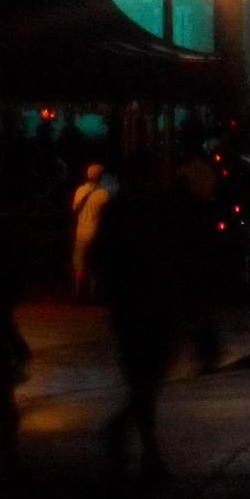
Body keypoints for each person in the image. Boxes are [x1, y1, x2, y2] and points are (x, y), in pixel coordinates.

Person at [92, 157, 190, 481]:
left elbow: (100, 257)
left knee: (144, 380)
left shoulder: (123, 212)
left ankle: (133, 435)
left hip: (137, 305)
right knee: (147, 380)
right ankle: (145, 447)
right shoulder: (159, 212)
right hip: (147, 304)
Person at [70, 162, 114, 300]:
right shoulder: (104, 194)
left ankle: (77, 292)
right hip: (95, 231)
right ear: (100, 177)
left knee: (79, 262)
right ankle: (93, 293)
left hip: (80, 231)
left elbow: (74, 210)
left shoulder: (79, 191)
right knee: (94, 262)